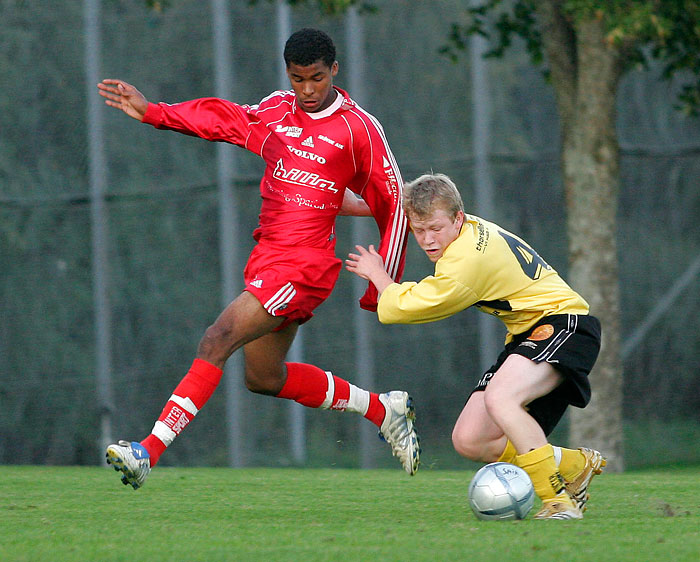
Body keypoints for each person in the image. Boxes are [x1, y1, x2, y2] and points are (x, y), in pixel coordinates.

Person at [97, 28, 419, 489]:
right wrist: (154, 112)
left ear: (335, 71)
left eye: (316, 79)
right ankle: (381, 409)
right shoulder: (275, 110)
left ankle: (147, 451)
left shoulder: (358, 129)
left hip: (304, 268)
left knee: (217, 338)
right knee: (263, 377)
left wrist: (382, 287)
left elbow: (391, 200)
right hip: (268, 259)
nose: (307, 90)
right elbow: (223, 119)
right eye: (297, 79)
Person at [345, 172, 605, 520]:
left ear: (458, 218)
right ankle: (574, 464)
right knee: (471, 439)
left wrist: (378, 274)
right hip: (529, 333)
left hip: (565, 324)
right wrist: (356, 204)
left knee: (501, 398)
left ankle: (558, 501)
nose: (427, 240)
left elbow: (405, 308)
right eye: (418, 230)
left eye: (435, 228)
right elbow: (400, 202)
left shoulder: (466, 262)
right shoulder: (463, 228)